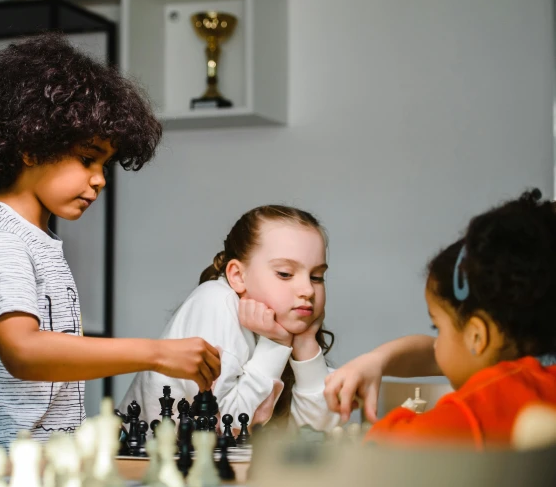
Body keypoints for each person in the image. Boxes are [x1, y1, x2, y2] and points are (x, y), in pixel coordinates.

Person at [0, 34, 220, 460]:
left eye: (104, 165)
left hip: (38, 466)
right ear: (32, 147)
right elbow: (25, 351)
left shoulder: (37, 238)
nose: (100, 179)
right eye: (87, 159)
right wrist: (156, 354)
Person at [358, 190, 556, 447]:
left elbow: (382, 446)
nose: (436, 343)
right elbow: (433, 356)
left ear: (477, 335)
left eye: (437, 327)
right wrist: (377, 360)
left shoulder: (485, 404)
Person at [122, 205, 340, 432]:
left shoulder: (290, 327)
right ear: (237, 276)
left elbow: (315, 434)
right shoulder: (216, 302)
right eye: (285, 274)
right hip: (143, 462)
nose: (308, 290)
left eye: (317, 277)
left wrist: (305, 344)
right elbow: (228, 427)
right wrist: (275, 344)